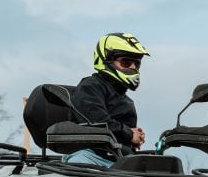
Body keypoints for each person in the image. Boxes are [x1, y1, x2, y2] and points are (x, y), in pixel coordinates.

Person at [63, 33, 150, 167]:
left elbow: (119, 132)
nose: (133, 67)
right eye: (126, 62)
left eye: (136, 63)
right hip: (90, 157)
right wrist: (129, 133)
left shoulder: (125, 99)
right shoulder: (90, 86)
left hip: (119, 161)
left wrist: (134, 138)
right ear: (106, 60)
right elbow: (97, 121)